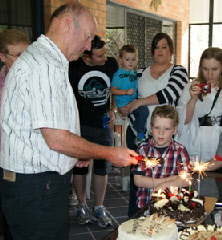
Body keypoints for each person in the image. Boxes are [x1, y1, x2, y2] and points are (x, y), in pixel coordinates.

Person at [0, 3, 137, 240]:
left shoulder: (48, 60)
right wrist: (109, 153)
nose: (87, 47)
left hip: (36, 186)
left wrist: (77, 153)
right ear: (67, 25)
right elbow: (57, 139)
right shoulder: (43, 65)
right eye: (87, 37)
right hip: (36, 188)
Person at [118, 33, 188, 217]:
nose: (160, 51)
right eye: (156, 47)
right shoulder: (139, 73)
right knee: (138, 183)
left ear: (171, 50)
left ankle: (166, 219)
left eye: (164, 47)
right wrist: (123, 108)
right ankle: (134, 220)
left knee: (166, 181)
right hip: (138, 135)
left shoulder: (178, 71)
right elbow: (128, 97)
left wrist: (139, 103)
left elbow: (168, 94)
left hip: (164, 138)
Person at [69, 35, 119, 227]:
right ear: (86, 56)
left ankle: (98, 206)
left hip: (103, 126)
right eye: (100, 56)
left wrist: (113, 109)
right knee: (80, 168)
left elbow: (115, 89)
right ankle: (82, 205)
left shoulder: (111, 64)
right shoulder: (74, 68)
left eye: (105, 53)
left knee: (102, 168)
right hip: (80, 126)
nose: (105, 58)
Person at [176, 47, 222, 167]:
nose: (210, 74)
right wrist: (193, 99)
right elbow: (183, 121)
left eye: (214, 69)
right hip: (200, 143)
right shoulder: (191, 87)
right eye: (205, 69)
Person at [0, 28, 30, 240]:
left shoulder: (33, 83)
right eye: (18, 55)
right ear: (2, 56)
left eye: (26, 55)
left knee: (19, 220)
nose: (23, 61)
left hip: (23, 163)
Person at [132, 105, 191, 210]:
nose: (161, 132)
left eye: (167, 128)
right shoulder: (142, 150)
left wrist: (164, 186)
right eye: (157, 127)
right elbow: (138, 180)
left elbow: (187, 180)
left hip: (171, 208)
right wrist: (167, 181)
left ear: (174, 130)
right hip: (145, 206)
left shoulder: (180, 151)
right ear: (151, 128)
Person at [111, 44, 149, 144]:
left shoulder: (135, 73)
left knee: (144, 111)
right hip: (124, 105)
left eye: (133, 59)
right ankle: (138, 132)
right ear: (120, 60)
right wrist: (125, 92)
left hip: (133, 103)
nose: (131, 62)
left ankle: (139, 133)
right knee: (143, 112)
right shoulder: (119, 74)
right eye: (127, 59)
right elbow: (113, 90)